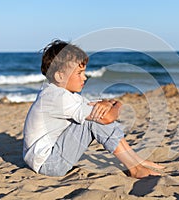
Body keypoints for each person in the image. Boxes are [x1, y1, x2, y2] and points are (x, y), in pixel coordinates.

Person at [23, 40, 163, 179]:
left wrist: (112, 104)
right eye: (79, 73)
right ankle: (135, 169)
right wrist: (114, 106)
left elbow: (95, 106)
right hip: (48, 164)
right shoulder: (58, 97)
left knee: (96, 114)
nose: (84, 77)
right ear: (60, 76)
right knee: (96, 119)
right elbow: (106, 117)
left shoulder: (60, 93)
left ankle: (136, 161)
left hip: (46, 159)